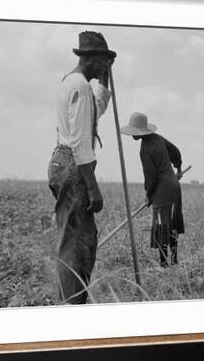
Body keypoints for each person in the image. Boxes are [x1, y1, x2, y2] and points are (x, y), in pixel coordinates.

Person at [48, 31, 116, 304]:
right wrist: (93, 187)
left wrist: (106, 78)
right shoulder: (80, 87)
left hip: (61, 161)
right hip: (74, 166)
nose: (104, 66)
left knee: (73, 240)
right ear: (89, 57)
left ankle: (70, 301)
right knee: (78, 245)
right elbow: (79, 142)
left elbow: (94, 111)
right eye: (102, 60)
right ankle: (72, 307)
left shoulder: (73, 83)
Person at [120, 112, 185, 267]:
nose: (133, 135)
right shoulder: (158, 138)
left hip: (163, 190)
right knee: (172, 223)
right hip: (175, 187)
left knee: (162, 224)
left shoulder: (145, 149)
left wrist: (148, 195)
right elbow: (175, 151)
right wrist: (178, 168)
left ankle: (164, 265)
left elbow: (151, 178)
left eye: (134, 132)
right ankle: (174, 261)